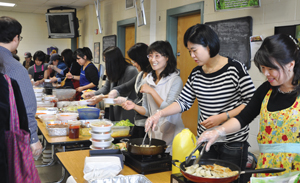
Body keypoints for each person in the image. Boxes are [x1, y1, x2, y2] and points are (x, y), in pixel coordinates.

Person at [144, 24, 255, 182]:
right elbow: (183, 101)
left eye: (194, 50)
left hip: (233, 142)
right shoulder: (196, 73)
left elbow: (251, 102)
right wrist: (159, 114)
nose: (192, 55)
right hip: (205, 140)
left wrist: (223, 116)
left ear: (209, 46)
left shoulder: (235, 69)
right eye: (189, 51)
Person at [198, 34, 300, 178]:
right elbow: (243, 118)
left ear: (291, 64)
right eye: (263, 68)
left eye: (271, 69)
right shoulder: (266, 90)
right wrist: (218, 131)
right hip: (267, 170)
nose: (266, 74)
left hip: (296, 171)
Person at [122, 41, 185, 154]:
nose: (152, 59)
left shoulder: (175, 80)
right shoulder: (148, 80)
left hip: (172, 131)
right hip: (154, 133)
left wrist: (152, 91)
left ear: (167, 57)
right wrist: (134, 106)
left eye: (157, 56)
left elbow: (169, 108)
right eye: (150, 56)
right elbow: (147, 111)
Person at [0, 16, 42, 157]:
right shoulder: (15, 68)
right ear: (16, 38)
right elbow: (26, 106)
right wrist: (33, 138)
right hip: (7, 132)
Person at [85, 46, 138, 123]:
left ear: (113, 61)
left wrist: (101, 97)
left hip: (127, 110)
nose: (105, 63)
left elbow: (122, 93)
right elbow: (106, 88)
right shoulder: (112, 70)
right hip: (114, 109)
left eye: (106, 61)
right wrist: (93, 94)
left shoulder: (131, 71)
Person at [111, 43, 152, 138]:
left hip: (147, 123)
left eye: (135, 61)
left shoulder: (151, 78)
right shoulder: (140, 75)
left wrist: (127, 101)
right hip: (137, 121)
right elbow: (126, 86)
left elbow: (146, 104)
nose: (133, 64)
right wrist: (115, 91)